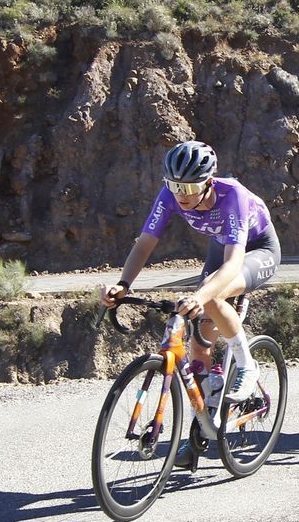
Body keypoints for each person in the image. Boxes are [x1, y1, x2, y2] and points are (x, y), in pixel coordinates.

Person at [101, 141, 281, 456]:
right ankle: (206, 420)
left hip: (257, 250)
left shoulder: (232, 195)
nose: (181, 194)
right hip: (220, 247)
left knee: (210, 296)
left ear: (208, 182)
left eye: (189, 186)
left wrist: (201, 295)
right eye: (174, 186)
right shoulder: (170, 194)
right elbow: (145, 243)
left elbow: (232, 265)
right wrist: (123, 285)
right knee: (199, 342)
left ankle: (246, 363)